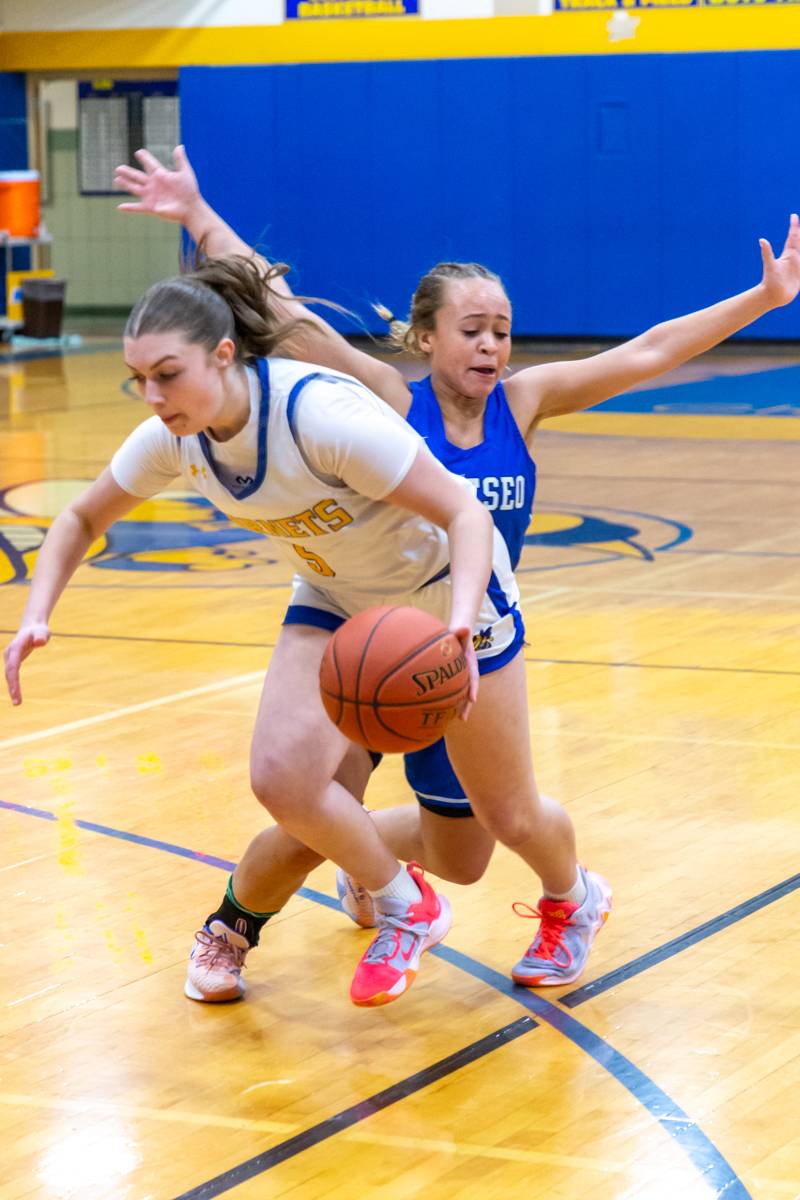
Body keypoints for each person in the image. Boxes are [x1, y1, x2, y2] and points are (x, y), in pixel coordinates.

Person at [112, 148, 800, 1004]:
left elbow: (653, 349)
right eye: (472, 329)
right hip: (365, 629)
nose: (491, 345)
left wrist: (764, 300)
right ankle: (230, 930)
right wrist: (196, 210)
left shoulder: (525, 401)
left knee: (486, 841)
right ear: (426, 336)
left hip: (464, 639)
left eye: (502, 329)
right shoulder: (385, 398)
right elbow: (282, 311)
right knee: (306, 805)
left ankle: (569, 897)